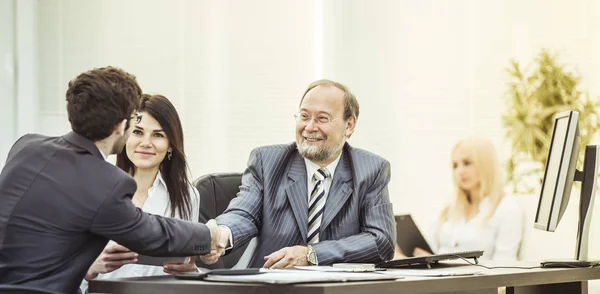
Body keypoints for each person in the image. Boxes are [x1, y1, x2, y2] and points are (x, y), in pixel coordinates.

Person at [0, 67, 222, 294]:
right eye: (135, 122)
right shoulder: (105, 182)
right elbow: (149, 233)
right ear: (120, 126)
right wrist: (209, 235)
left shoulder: (26, 147)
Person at [210, 79, 395, 269]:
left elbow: (381, 240)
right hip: (272, 285)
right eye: (304, 116)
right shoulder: (267, 161)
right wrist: (221, 233)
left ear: (349, 125)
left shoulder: (371, 169)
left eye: (322, 118)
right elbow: (244, 213)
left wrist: (313, 254)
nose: (309, 127)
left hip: (336, 287)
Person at [80, 94, 200, 292]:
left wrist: (190, 272)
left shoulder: (188, 195)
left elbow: (187, 275)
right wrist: (89, 268)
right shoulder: (93, 187)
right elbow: (62, 272)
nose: (146, 143)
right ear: (124, 135)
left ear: (170, 144)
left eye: (158, 135)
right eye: (137, 132)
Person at [402, 137, 524, 260]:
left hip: (472, 278)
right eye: (455, 165)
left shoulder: (507, 208)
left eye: (467, 163)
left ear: (485, 164)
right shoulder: (449, 208)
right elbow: (428, 248)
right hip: (435, 277)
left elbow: (504, 266)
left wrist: (442, 264)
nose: (460, 171)